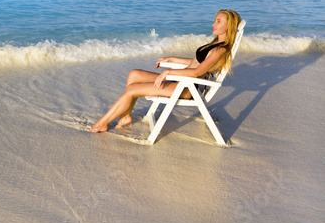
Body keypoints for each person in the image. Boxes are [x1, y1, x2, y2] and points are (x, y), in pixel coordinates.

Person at [90, 9, 242, 133]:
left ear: (229, 26)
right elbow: (195, 62)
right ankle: (125, 116)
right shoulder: (215, 44)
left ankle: (102, 123)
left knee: (132, 89)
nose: (213, 24)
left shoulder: (220, 50)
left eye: (218, 21)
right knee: (134, 74)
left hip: (187, 89)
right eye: (215, 20)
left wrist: (168, 72)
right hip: (181, 82)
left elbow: (197, 72)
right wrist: (172, 59)